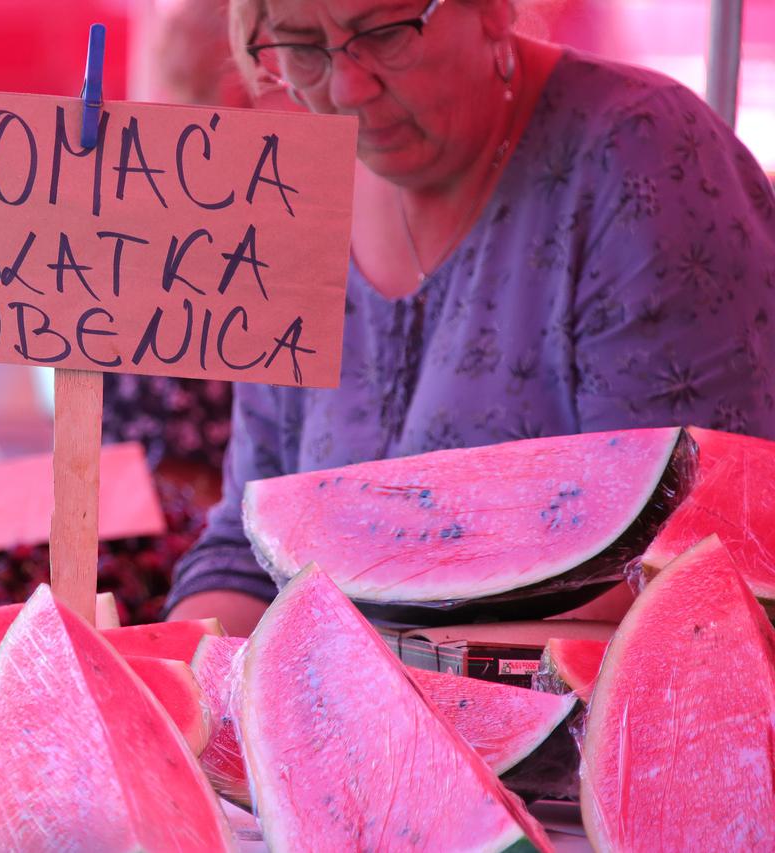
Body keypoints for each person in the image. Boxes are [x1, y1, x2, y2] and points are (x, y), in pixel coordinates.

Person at [166, 0, 775, 635]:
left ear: (490, 9)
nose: (346, 87)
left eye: (386, 32)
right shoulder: (297, 193)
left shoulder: (646, 160)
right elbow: (246, 549)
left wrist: (393, 683)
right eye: (301, 45)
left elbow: (688, 557)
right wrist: (173, 667)